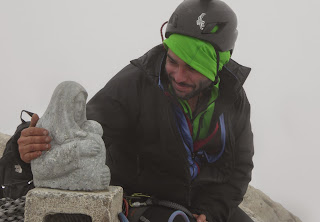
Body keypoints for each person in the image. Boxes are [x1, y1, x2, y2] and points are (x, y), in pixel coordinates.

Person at [17, 0, 254, 221]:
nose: (179, 76)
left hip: (204, 205)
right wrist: (36, 142)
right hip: (144, 201)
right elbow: (86, 129)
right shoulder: (137, 83)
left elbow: (239, 169)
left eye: (192, 67)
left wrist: (211, 212)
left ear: (217, 65)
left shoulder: (233, 97)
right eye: (173, 61)